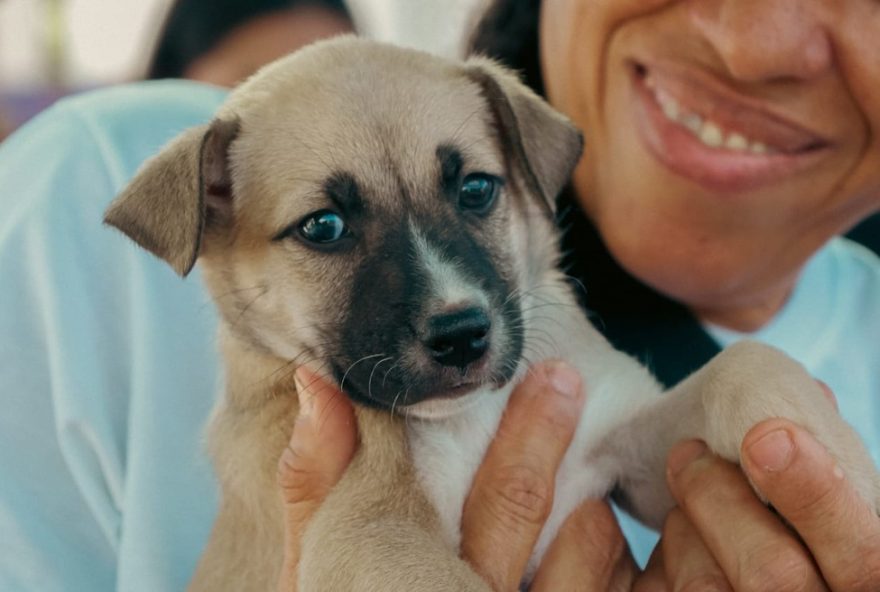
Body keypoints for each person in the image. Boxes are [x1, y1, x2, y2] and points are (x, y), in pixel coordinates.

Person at [0, 1, 877, 591]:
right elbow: (368, 547)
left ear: (521, 167)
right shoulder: (79, 201)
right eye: (327, 231)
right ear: (213, 222)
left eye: (473, 195)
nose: (449, 302)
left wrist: (752, 397)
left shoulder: (543, 314)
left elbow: (650, 458)